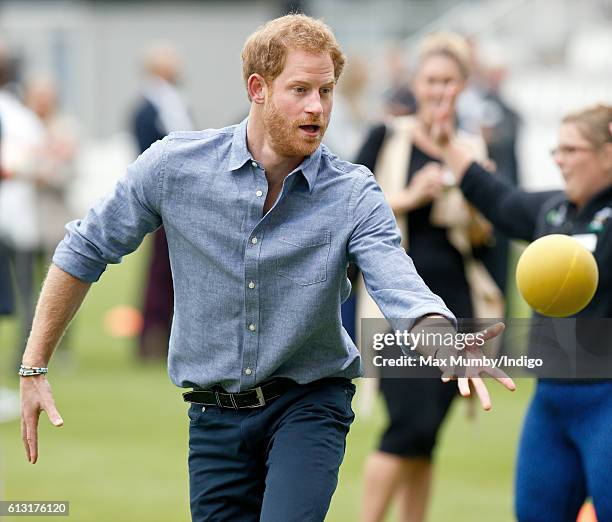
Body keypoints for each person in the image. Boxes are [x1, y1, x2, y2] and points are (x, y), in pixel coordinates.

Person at [19, 15, 515, 522]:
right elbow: (83, 249)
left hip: (309, 405)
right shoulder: (175, 167)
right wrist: (34, 365)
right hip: (213, 416)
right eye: (300, 89)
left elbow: (398, 282)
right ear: (257, 88)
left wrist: (442, 336)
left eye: (326, 91)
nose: (317, 107)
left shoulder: (353, 192)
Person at [431, 100, 612, 521]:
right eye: (557, 150)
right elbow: (497, 198)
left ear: (607, 154)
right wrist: (448, 144)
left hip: (606, 396)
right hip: (552, 397)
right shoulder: (552, 211)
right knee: (534, 513)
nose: (560, 161)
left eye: (572, 150)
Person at [358, 33, 504, 522]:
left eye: (449, 81)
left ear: (462, 86)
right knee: (407, 424)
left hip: (458, 299)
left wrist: (475, 193)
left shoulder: (471, 147)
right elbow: (346, 211)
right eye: (431, 80)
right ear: (415, 83)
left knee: (427, 432)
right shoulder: (387, 137)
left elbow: (485, 237)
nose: (439, 90)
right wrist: (409, 196)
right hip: (396, 298)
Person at [131, 43, 194, 359]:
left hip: (184, 200)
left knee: (173, 269)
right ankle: (150, 337)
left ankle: (167, 333)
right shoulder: (148, 109)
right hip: (163, 200)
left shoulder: (173, 104)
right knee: (159, 270)